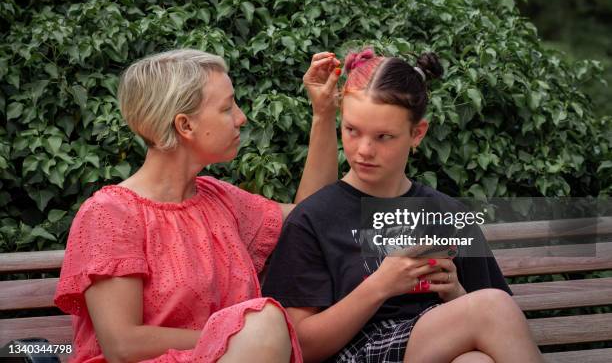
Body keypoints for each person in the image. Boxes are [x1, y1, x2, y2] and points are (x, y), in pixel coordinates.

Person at [54, 48, 342, 362]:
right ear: (185, 125)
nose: (241, 118)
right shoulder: (111, 214)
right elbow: (123, 345)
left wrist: (323, 112)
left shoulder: (219, 200)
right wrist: (244, 336)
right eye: (227, 107)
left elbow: (313, 214)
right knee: (265, 321)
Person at [262, 48, 544, 363]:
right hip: (354, 352)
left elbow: (495, 324)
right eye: (352, 131)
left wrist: (453, 292)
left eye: (384, 137)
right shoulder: (312, 218)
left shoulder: (448, 213)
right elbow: (298, 346)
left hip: (427, 346)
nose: (364, 150)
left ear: (417, 133)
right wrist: (381, 285)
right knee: (490, 307)